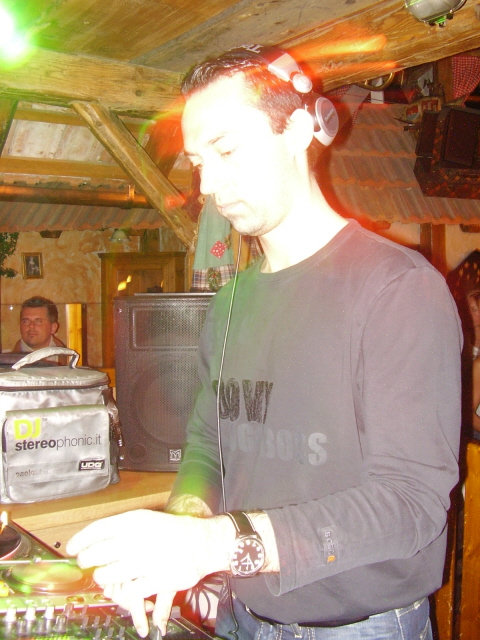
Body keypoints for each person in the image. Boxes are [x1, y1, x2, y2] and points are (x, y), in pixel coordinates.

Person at [66, 46, 462, 640]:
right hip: (242, 616)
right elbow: (209, 445)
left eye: (226, 150)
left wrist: (215, 544)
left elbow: (411, 504)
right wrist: (183, 527)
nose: (208, 184)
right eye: (198, 161)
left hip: (359, 628)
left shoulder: (398, 289)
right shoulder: (229, 303)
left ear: (298, 130)